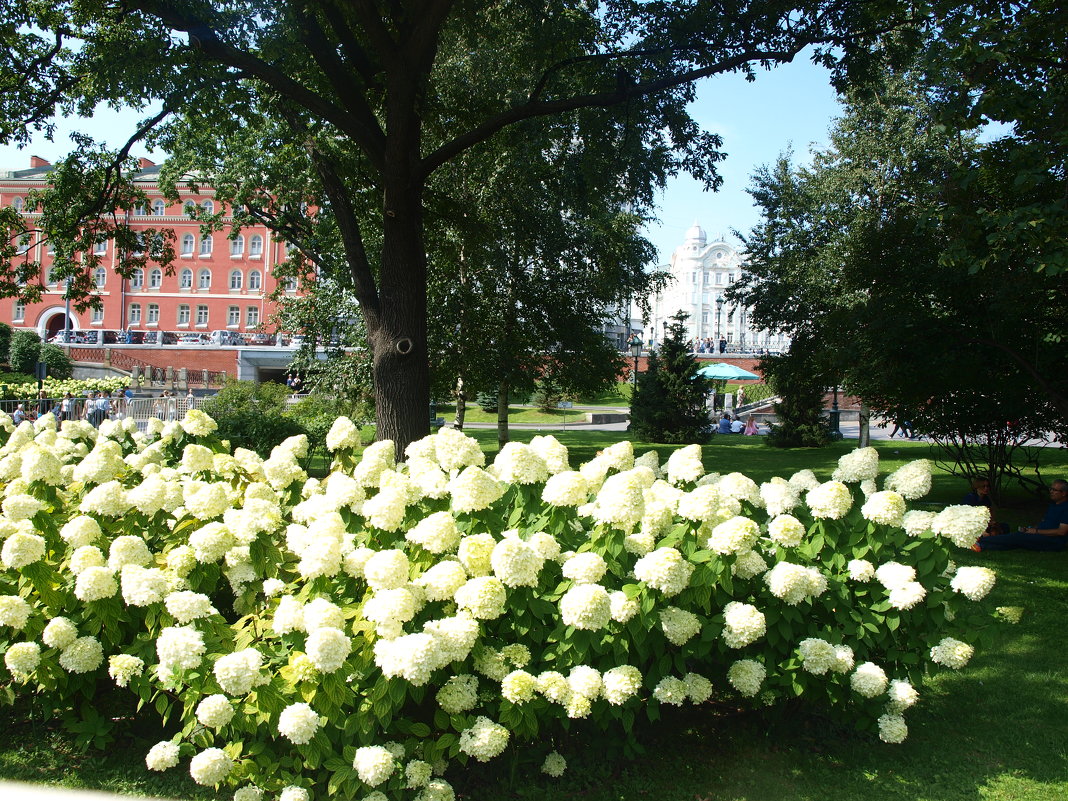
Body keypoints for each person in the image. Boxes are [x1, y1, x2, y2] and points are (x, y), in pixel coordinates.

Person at [974, 478, 1068, 552]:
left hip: (1052, 541)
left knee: (1018, 537)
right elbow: (1046, 522)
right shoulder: (1054, 505)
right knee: (1017, 540)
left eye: (1055, 490)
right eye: (1051, 489)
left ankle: (979, 541)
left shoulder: (1066, 508)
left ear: (1063, 493)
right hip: (1041, 535)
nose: (1051, 491)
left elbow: (1061, 532)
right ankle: (982, 546)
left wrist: (1036, 531)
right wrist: (1030, 529)